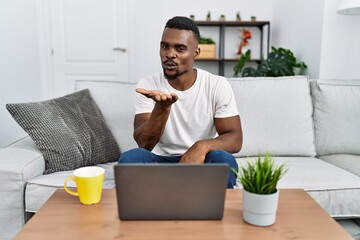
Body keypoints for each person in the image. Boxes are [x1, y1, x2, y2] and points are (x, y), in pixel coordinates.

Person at [118, 16, 243, 188]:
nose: (170, 54)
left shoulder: (216, 85)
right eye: (164, 46)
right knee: (131, 159)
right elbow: (144, 144)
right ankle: (152, 203)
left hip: (200, 161)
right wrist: (162, 109)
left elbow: (235, 138)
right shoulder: (148, 85)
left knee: (224, 160)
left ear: (195, 53)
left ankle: (206, 205)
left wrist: (201, 147)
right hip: (162, 160)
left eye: (180, 48)